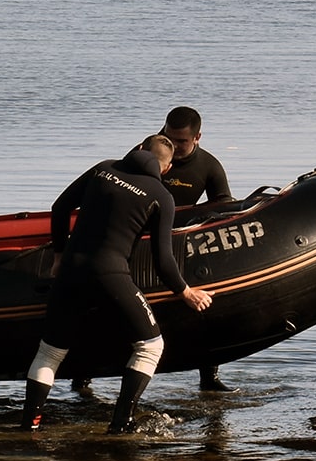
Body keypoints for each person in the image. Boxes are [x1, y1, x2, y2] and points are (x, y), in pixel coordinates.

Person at [24, 143, 214, 434]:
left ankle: (30, 426)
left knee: (50, 353)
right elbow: (162, 260)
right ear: (167, 168)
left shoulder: (104, 168)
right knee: (151, 347)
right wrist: (186, 293)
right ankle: (120, 423)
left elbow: (60, 207)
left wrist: (60, 255)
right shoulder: (161, 195)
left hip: (72, 270)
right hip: (109, 274)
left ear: (138, 148)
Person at [157, 106, 236, 393]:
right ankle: (84, 378)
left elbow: (224, 209)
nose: (173, 147)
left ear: (197, 137)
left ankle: (209, 378)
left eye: (181, 141)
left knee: (207, 304)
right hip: (141, 237)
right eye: (169, 137)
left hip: (181, 241)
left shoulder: (208, 166)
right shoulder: (149, 152)